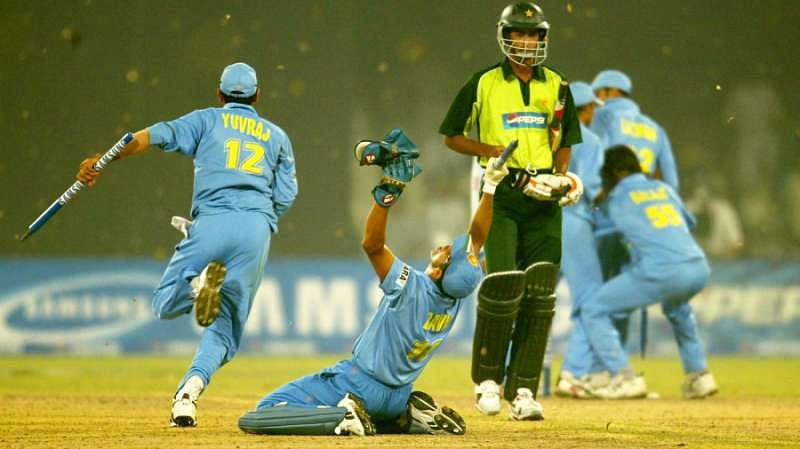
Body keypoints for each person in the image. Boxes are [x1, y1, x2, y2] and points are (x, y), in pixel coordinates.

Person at [237, 130, 509, 436]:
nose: (447, 246)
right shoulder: (455, 297)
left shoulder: (412, 287)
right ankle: (406, 418)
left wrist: (387, 193)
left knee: (261, 414)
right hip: (398, 394)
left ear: (442, 270)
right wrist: (492, 187)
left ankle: (343, 417)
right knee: (382, 408)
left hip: (359, 383)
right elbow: (476, 238)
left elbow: (372, 246)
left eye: (449, 252)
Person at [75, 62, 298, 426]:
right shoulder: (277, 136)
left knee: (164, 305)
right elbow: (287, 195)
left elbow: (148, 137)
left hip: (211, 223)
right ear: (258, 96)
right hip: (255, 231)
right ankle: (187, 397)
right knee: (223, 330)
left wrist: (102, 160)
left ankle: (197, 287)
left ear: (219, 93)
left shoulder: (206, 120)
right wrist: (257, 217)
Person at [439, 1, 582, 419]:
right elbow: (451, 135)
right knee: (503, 287)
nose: (527, 42)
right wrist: (490, 152)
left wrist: (561, 179)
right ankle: (487, 382)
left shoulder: (557, 85)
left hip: (543, 199)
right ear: (505, 37)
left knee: (540, 294)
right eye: (519, 34)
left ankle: (523, 391)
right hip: (501, 193)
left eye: (534, 35)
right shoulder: (483, 82)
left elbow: (565, 140)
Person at [580, 145, 717, 400]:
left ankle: (625, 378)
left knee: (593, 308)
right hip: (697, 266)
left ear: (617, 172)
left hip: (662, 270)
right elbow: (690, 223)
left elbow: (603, 231)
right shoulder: (663, 188)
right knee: (678, 309)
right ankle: (700, 376)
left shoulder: (618, 196)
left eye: (607, 175)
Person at [590, 69, 680, 370]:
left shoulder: (602, 119)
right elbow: (670, 182)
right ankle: (616, 366)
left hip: (606, 220)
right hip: (645, 225)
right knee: (625, 295)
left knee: (597, 296)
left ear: (608, 92)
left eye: (597, 96)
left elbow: (595, 161)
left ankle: (598, 370)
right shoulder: (655, 129)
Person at [554, 82, 611, 398]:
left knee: (531, 301)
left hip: (542, 223)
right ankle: (574, 373)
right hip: (574, 222)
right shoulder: (589, 139)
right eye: (590, 109)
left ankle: (512, 375)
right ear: (585, 109)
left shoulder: (546, 136)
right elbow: (588, 187)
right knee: (591, 301)